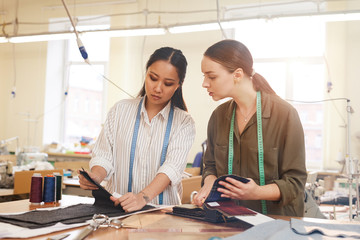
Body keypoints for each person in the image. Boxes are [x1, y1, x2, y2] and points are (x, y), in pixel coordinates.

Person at [193, 39, 307, 217]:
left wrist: (256, 192)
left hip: (278, 225)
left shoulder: (285, 115)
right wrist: (209, 182)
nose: (205, 83)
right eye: (204, 76)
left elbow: (295, 183)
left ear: (237, 74)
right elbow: (211, 166)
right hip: (230, 222)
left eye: (212, 76)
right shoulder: (218, 117)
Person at [79, 47, 196, 212]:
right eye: (153, 78)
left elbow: (172, 168)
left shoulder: (184, 121)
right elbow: (104, 156)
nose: (157, 88)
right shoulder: (120, 110)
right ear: (146, 73)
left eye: (168, 83)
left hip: (161, 214)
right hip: (116, 211)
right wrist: (96, 177)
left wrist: (142, 197)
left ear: (178, 85)